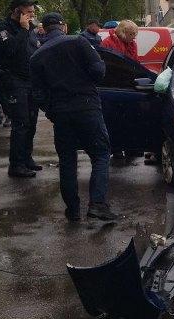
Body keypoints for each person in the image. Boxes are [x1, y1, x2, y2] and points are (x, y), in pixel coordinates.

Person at [29, 12, 116, 223]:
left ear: (44, 29)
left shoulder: (36, 56)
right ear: (63, 26)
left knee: (67, 160)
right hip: (87, 107)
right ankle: (97, 205)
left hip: (61, 114)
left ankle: (73, 210)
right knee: (101, 154)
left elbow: (37, 93)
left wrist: (51, 110)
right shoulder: (79, 42)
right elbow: (98, 71)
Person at [0, 0, 41, 178]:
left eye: (32, 12)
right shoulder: (3, 29)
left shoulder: (30, 29)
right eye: (28, 12)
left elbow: (34, 49)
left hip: (30, 81)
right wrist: (22, 30)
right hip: (14, 81)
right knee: (21, 123)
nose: (32, 15)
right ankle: (16, 164)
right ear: (17, 11)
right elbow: (10, 50)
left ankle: (26, 158)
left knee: (32, 122)